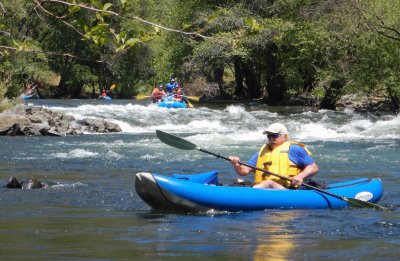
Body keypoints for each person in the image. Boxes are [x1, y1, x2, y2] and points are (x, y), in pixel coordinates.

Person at [229, 123, 319, 189]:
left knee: (269, 183)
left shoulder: (294, 149)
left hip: (287, 188)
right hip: (264, 188)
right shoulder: (262, 153)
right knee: (238, 180)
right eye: (269, 136)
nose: (271, 139)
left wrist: (300, 176)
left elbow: (313, 168)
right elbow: (244, 172)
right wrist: (236, 165)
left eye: (274, 136)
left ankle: (247, 195)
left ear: (285, 136)